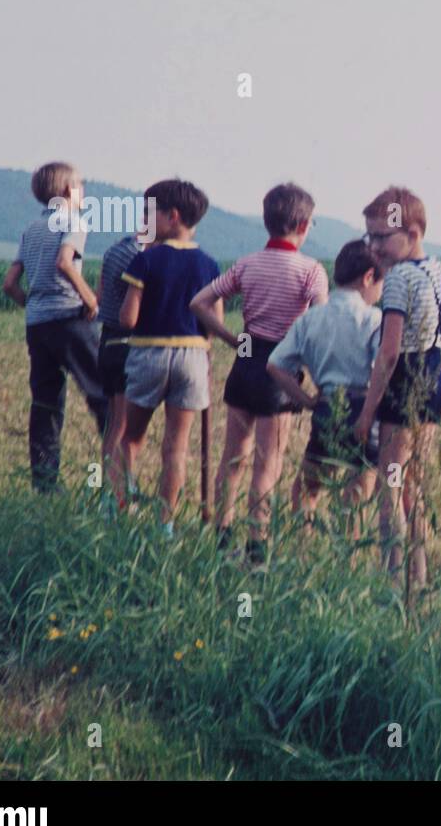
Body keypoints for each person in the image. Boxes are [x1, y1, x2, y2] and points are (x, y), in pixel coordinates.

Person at [189, 183, 329, 559]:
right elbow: (319, 322)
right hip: (281, 369)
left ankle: (221, 537)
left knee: (232, 458)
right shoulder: (311, 271)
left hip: (246, 359)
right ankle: (257, 549)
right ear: (302, 225)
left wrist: (233, 339)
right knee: (268, 465)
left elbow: (200, 302)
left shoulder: (247, 264)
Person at [353, 186, 441, 593]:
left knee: (391, 485)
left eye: (381, 237)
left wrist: (367, 413)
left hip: (404, 385)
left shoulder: (397, 280)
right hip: (435, 378)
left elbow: (389, 353)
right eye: (369, 236)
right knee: (415, 484)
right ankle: (420, 574)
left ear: (413, 234)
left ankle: (393, 580)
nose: (373, 246)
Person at [111, 179, 221, 534]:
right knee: (176, 446)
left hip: (148, 353)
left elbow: (128, 318)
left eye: (149, 213)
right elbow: (215, 323)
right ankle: (165, 526)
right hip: (192, 357)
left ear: (171, 216)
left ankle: (118, 508)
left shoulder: (146, 259)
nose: (145, 220)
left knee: (129, 438)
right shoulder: (209, 265)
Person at [1, 161, 108, 492]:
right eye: (81, 187)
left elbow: (9, 284)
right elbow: (65, 262)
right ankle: (118, 475)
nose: (84, 193)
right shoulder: (74, 221)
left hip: (37, 323)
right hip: (68, 318)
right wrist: (91, 300)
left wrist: (32, 304)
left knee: (45, 402)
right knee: (103, 395)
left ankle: (45, 483)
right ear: (67, 191)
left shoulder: (31, 229)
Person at [266, 240, 384, 540]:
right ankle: (348, 565)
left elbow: (275, 365)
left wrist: (305, 400)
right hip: (364, 407)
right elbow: (383, 367)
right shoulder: (374, 319)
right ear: (369, 277)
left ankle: (302, 555)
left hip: (326, 405)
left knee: (307, 489)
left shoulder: (310, 318)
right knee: (354, 498)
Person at [97, 226, 150, 467]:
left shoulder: (113, 250)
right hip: (125, 343)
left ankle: (103, 487)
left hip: (107, 342)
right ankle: (117, 494)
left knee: (112, 424)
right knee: (123, 425)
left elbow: (99, 296)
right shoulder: (137, 258)